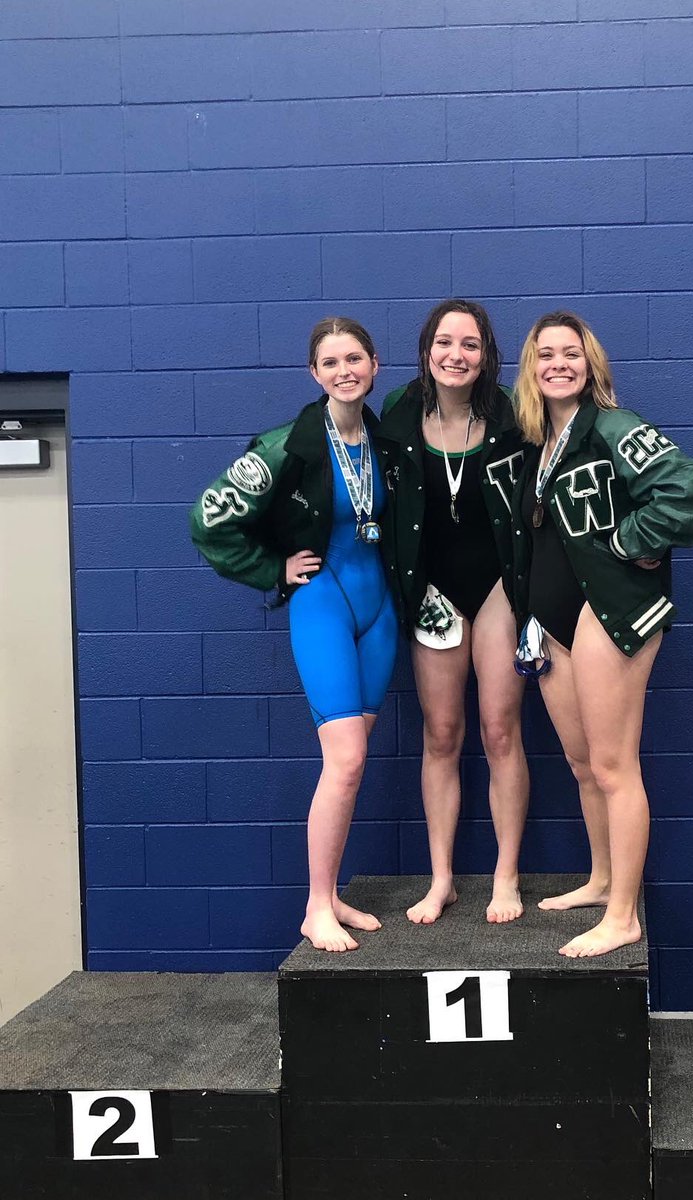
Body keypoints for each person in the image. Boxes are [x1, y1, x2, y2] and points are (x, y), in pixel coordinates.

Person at [190, 317, 397, 953]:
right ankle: (314, 908)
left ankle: (331, 891)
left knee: (352, 762)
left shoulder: (387, 441)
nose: (345, 371)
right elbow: (209, 521)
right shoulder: (285, 445)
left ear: (374, 365)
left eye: (355, 358)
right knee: (346, 760)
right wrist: (270, 569)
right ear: (315, 373)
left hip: (380, 611)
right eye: (331, 362)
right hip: (323, 606)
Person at [511, 311, 693, 957]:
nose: (557, 364)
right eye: (545, 354)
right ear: (530, 368)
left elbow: (688, 496)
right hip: (557, 624)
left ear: (590, 363)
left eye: (570, 353)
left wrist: (631, 542)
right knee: (580, 764)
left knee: (612, 764)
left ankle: (623, 914)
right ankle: (600, 881)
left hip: (611, 610)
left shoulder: (614, 426)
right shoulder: (541, 442)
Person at [376, 299, 529, 925]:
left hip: (497, 586)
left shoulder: (514, 416)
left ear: (487, 355)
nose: (455, 355)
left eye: (469, 344)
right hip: (432, 589)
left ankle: (505, 875)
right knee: (441, 735)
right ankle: (441, 878)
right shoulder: (398, 412)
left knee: (499, 730)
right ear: (426, 351)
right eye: (445, 343)